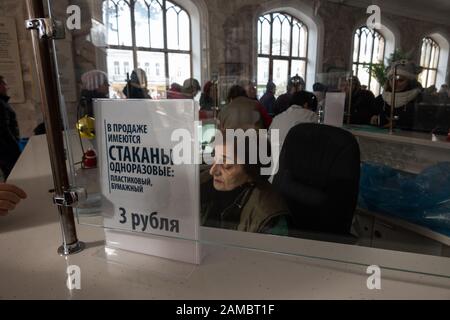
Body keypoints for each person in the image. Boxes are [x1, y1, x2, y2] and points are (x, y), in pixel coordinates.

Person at [201, 133, 290, 235]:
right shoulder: (204, 186)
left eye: (226, 164)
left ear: (251, 171)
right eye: (214, 158)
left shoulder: (270, 219)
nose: (212, 171)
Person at [373, 61, 423, 130]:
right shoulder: (381, 98)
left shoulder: (418, 99)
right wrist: (373, 117)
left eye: (400, 80)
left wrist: (398, 124)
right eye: (392, 79)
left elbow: (422, 122)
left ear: (410, 82)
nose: (395, 83)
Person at [0, 76, 21, 179]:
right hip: (7, 150)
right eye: (4, 84)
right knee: (14, 176)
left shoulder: (2, 102)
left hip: (5, 150)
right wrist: (15, 149)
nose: (6, 87)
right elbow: (4, 129)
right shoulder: (0, 104)